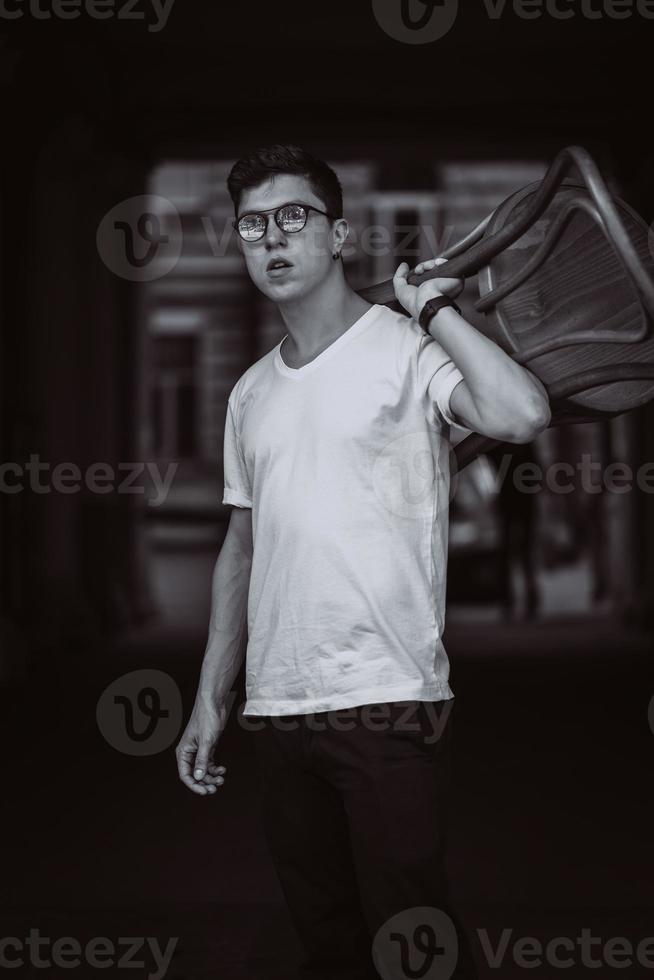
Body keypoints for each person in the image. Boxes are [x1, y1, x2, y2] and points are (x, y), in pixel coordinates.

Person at [176, 144, 551, 980]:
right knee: (330, 942)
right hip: (277, 707)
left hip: (383, 698)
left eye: (293, 217)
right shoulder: (248, 393)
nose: (272, 237)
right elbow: (241, 550)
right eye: (252, 224)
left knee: (414, 943)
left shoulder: (403, 348)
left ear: (339, 234)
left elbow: (520, 413)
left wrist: (433, 311)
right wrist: (211, 698)